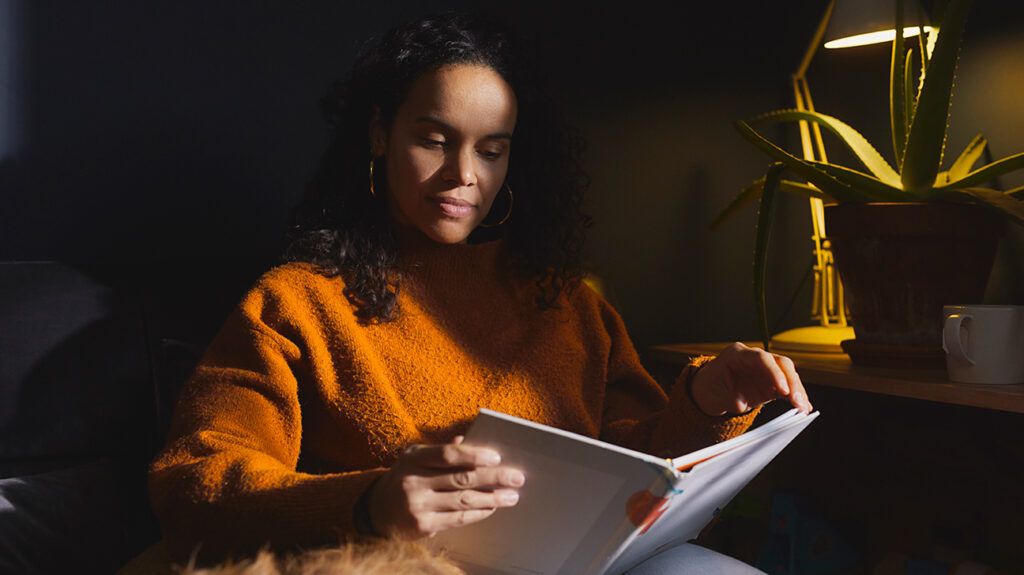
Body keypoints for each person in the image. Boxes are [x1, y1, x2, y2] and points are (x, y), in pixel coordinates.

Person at [147, 11, 812, 574]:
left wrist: (708, 400)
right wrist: (370, 502)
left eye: (492, 150)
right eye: (434, 141)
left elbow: (638, 465)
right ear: (380, 133)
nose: (463, 176)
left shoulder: (567, 303)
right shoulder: (295, 303)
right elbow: (194, 482)